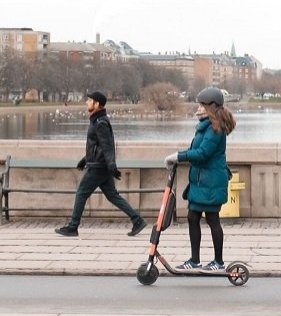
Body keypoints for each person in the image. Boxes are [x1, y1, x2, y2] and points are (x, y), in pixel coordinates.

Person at [55, 91, 147, 237]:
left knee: (81, 193)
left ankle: (73, 227)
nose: (86, 102)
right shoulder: (97, 120)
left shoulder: (100, 122)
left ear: (97, 104)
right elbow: (97, 146)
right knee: (112, 196)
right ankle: (137, 220)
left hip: (98, 167)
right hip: (100, 165)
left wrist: (112, 166)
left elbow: (107, 146)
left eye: (89, 100)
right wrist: (85, 160)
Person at [164, 86, 236, 271]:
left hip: (211, 182)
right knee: (192, 217)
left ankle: (218, 262)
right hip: (201, 181)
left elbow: (203, 153)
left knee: (213, 219)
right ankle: (194, 260)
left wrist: (179, 156)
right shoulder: (205, 127)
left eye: (201, 106)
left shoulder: (215, 129)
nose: (198, 109)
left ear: (211, 106)